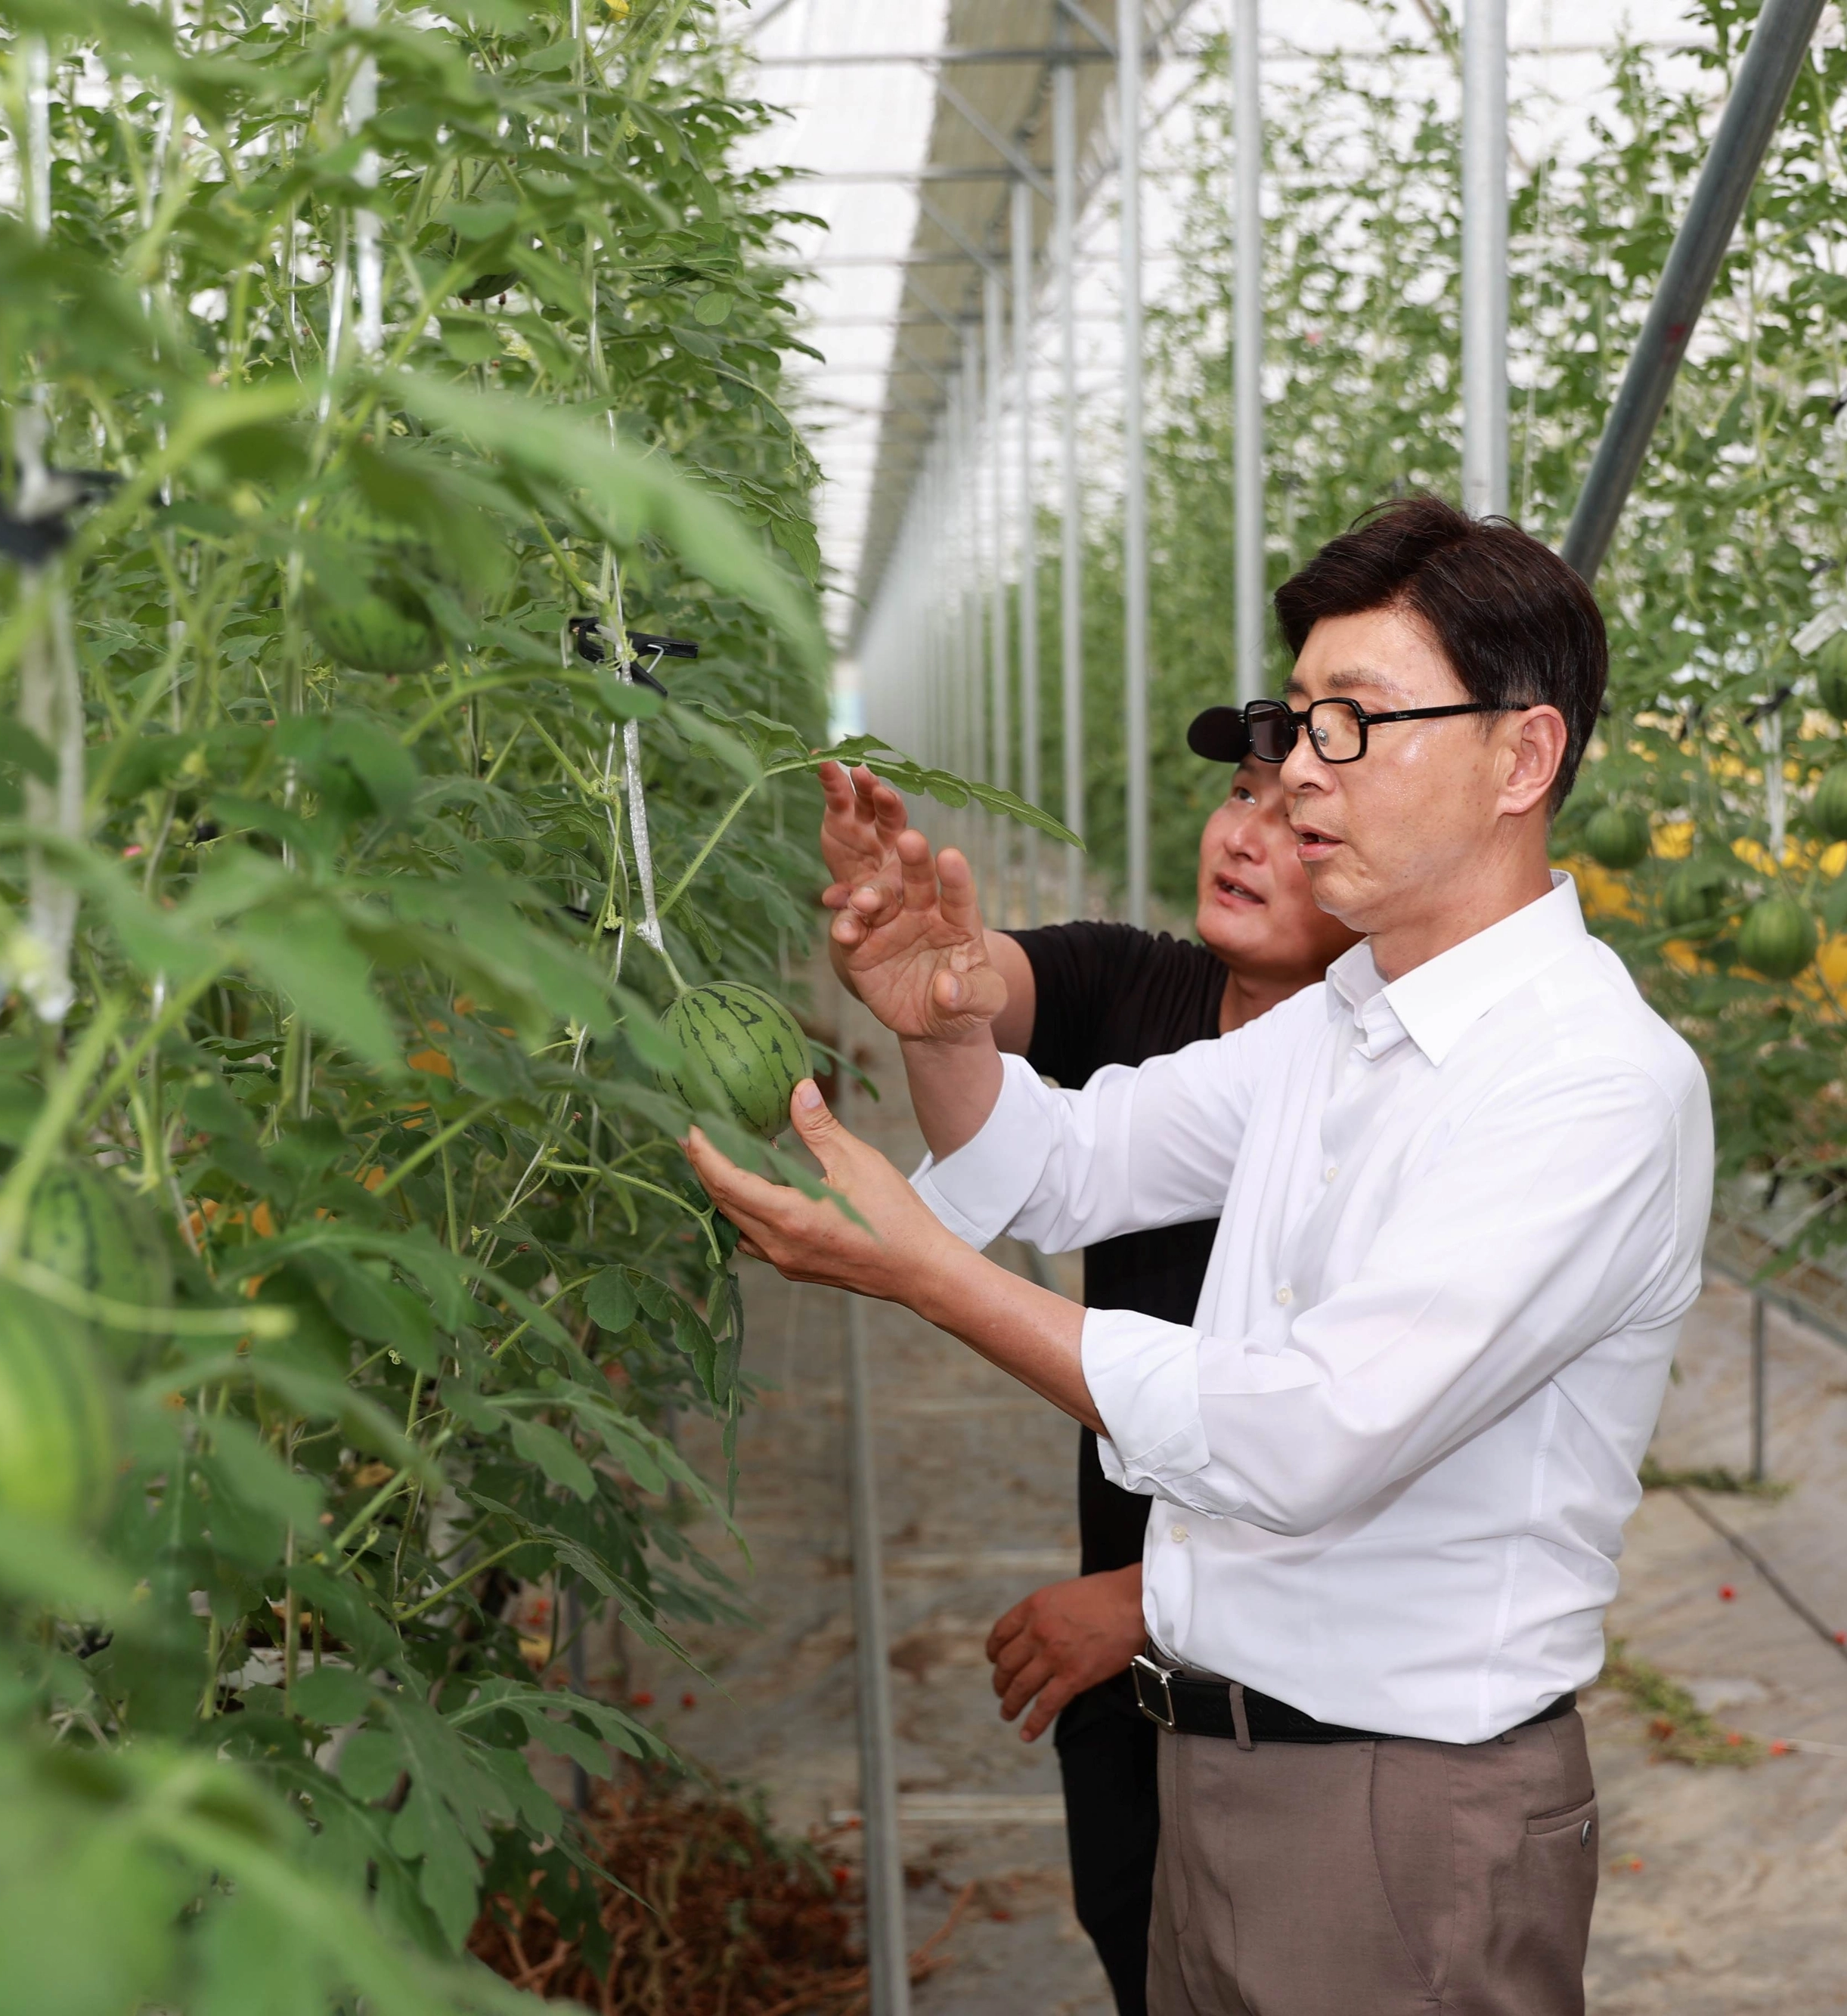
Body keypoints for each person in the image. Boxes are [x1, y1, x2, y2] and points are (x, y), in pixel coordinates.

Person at [690, 496, 1710, 2014]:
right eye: (1299, 724)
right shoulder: (1342, 1022)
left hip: (1396, 1819)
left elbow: (1302, 1436)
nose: (1297, 774)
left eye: (1351, 724)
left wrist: (924, 1276)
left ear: (1521, 756)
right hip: (1214, 1774)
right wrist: (947, 1014)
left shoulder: (1585, 1084)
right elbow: (1071, 1160)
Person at [811, 748, 1358, 2016]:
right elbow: (992, 1005)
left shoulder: (1385, 1091)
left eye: (1297, 814)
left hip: (1286, 1672)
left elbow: (1358, 1435)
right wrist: (917, 950)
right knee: (1139, 1933)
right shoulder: (1146, 983)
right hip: (1131, 1646)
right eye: (1241, 795)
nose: (1249, 833)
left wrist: (1142, 1598)